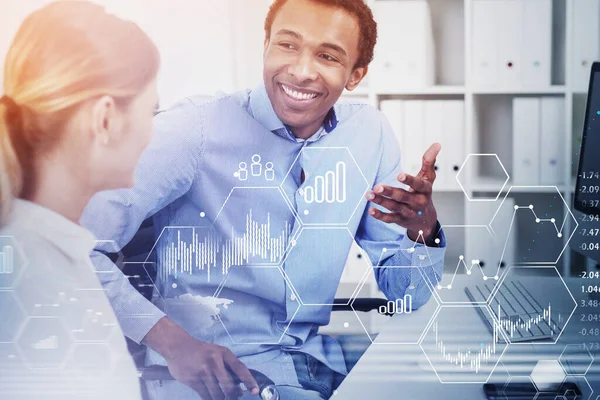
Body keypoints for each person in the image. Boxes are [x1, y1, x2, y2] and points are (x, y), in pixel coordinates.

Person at [80, 0, 447, 399]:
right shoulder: (195, 129)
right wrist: (172, 343)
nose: (302, 71)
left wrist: (423, 231)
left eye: (327, 55)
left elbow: (408, 295)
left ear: (355, 75)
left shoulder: (368, 134)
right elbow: (75, 247)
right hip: (208, 376)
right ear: (266, 46)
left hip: (310, 368)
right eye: (287, 45)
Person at [0, 1, 160, 399]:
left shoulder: (42, 253)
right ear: (105, 120)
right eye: (150, 112)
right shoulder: (39, 287)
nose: (152, 134)